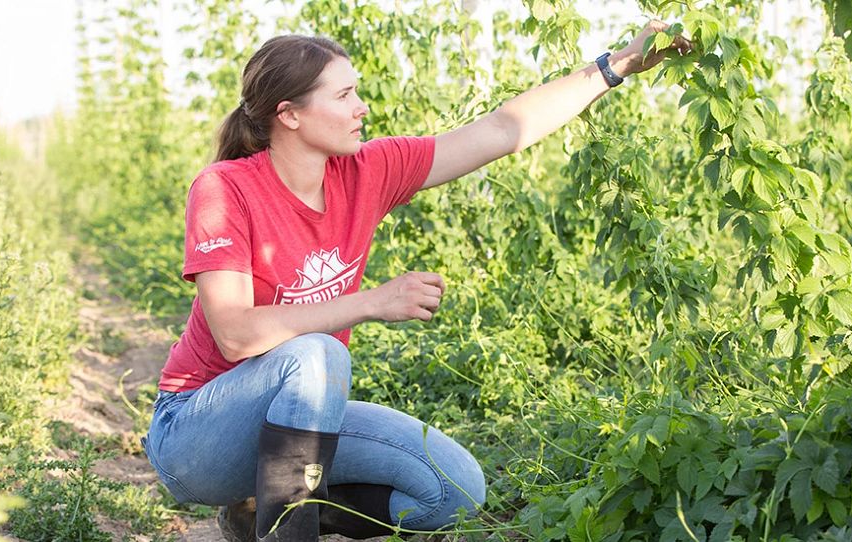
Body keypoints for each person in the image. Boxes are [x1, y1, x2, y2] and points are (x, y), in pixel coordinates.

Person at [141, 21, 693, 542]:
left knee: (455, 490)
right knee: (317, 356)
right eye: (343, 96)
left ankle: (265, 508)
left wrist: (615, 66)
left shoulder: (367, 171)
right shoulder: (224, 189)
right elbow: (236, 334)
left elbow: (502, 129)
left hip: (296, 419)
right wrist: (371, 302)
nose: (362, 108)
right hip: (196, 433)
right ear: (289, 115)